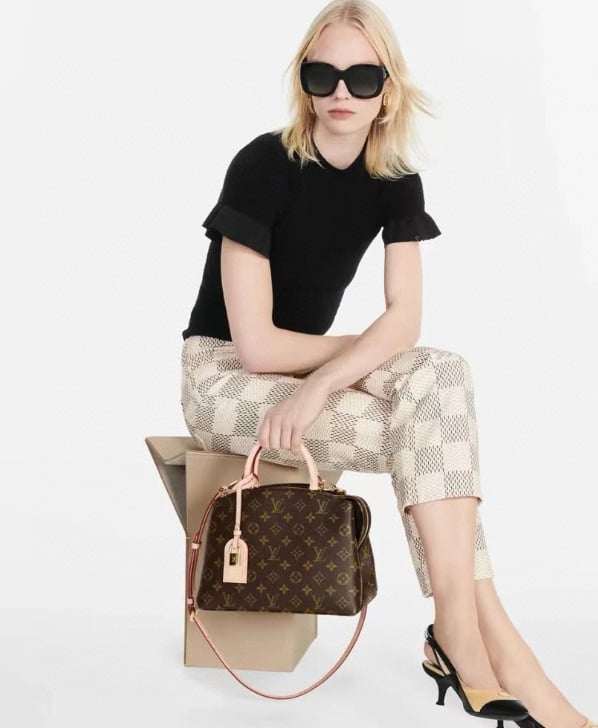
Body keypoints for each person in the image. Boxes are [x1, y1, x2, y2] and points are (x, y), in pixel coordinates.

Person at [179, 1, 595, 725]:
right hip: (222, 379)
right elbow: (258, 348)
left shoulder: (395, 179)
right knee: (427, 429)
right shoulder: (262, 165)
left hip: (304, 373)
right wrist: (363, 353)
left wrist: (327, 382)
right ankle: (492, 649)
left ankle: (464, 632)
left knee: (442, 374)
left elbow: (406, 320)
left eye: (363, 77)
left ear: (388, 89)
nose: (341, 92)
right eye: (323, 75)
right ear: (304, 83)